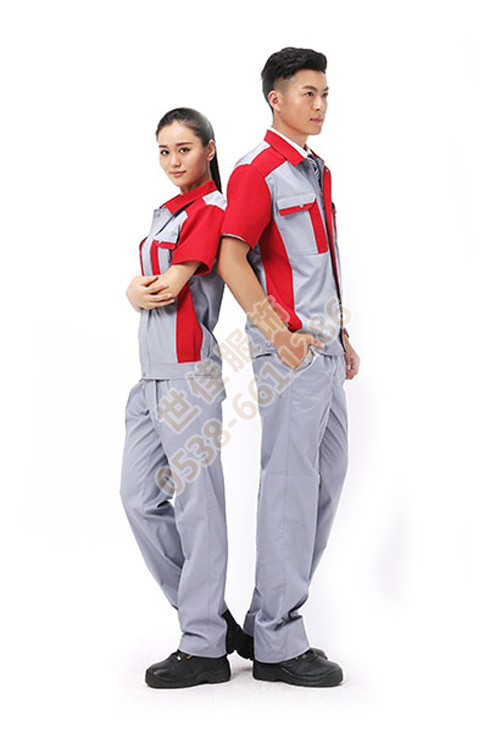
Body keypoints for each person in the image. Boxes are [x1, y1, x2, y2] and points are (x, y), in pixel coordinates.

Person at [218, 48, 361, 687]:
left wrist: (342, 334)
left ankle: (269, 617)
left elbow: (316, 264)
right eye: (309, 94)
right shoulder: (258, 170)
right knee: (289, 486)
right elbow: (232, 258)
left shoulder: (315, 170)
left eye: (325, 94)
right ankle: (277, 640)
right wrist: (279, 332)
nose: (321, 105)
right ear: (276, 98)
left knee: (324, 483)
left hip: (325, 348)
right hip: (291, 353)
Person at [120, 107, 249, 689]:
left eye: (185, 149)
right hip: (149, 379)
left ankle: (203, 646)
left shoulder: (211, 208)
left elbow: (170, 285)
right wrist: (133, 289)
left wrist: (136, 289)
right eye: (165, 151)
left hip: (188, 377)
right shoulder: (167, 212)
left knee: (198, 506)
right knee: (138, 498)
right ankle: (209, 614)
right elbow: (144, 287)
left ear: (209, 150)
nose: (174, 161)